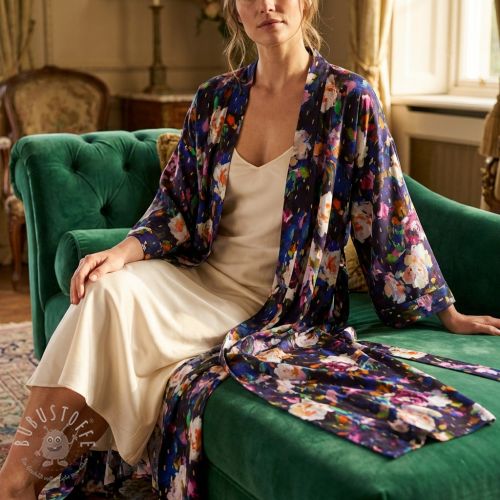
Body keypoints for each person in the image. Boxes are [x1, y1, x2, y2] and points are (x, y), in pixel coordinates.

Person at [1, 0, 500, 498]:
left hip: (276, 308)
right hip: (198, 279)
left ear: (307, 2)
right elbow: (174, 205)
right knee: (106, 289)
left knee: (110, 316)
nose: (267, 5)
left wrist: (447, 312)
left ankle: (17, 484)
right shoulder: (215, 99)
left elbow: (388, 213)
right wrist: (121, 252)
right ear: (234, 9)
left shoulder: (348, 99)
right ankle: (18, 482)